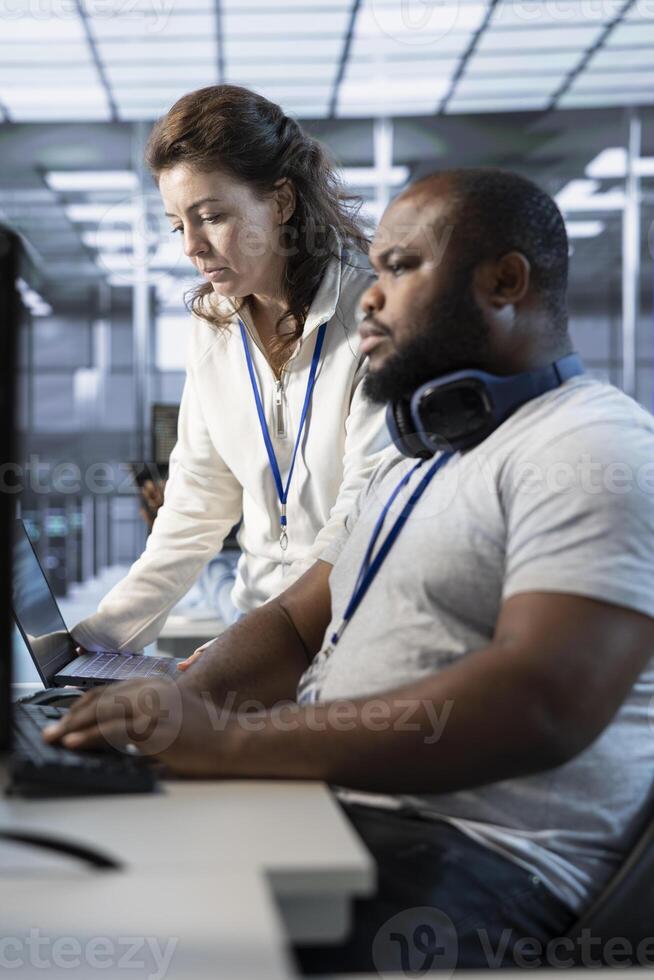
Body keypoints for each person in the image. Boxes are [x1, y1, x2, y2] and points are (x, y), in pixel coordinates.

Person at [46, 169, 654, 972]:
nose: (371, 295)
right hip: (345, 812)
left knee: (157, 950)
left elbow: (543, 701)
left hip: (484, 860)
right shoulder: (413, 463)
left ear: (506, 281)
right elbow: (296, 622)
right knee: (86, 900)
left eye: (401, 268)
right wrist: (175, 710)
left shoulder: (589, 447)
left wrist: (228, 745)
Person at [72, 85, 390, 654]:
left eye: (212, 216)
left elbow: (361, 523)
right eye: (177, 226)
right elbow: (193, 507)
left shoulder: (374, 317)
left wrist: (240, 657)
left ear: (282, 202)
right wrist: (94, 647)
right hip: (255, 631)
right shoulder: (213, 329)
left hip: (356, 636)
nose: (192, 247)